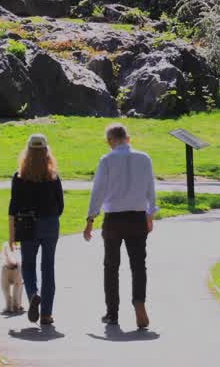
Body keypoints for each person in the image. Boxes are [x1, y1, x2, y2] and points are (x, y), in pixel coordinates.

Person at [84, 122, 158, 330]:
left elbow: (98, 191)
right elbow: (150, 189)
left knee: (111, 266)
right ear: (128, 138)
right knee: (138, 265)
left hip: (114, 219)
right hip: (137, 217)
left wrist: (90, 219)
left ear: (110, 141)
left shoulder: (107, 159)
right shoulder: (144, 158)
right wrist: (150, 214)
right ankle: (139, 301)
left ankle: (112, 313)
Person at [8, 133, 64, 326]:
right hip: (50, 224)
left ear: (27, 152)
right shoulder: (54, 177)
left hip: (27, 224)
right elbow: (61, 207)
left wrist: (11, 235)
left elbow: (13, 208)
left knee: (29, 266)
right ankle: (46, 314)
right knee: (48, 268)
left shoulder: (19, 177)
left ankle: (33, 294)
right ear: (47, 152)